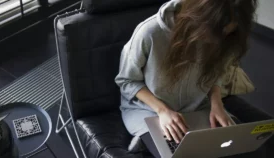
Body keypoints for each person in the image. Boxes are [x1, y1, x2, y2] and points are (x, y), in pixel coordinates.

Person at [115, 0, 273, 157]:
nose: (217, 41)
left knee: (249, 149)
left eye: (227, 33)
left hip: (197, 107)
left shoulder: (225, 37)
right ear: (200, 16)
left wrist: (216, 103)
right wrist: (163, 111)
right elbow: (126, 81)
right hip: (149, 110)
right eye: (215, 33)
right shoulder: (150, 32)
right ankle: (145, 139)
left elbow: (215, 73)